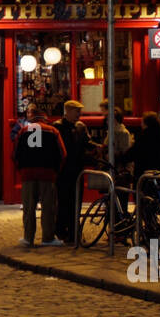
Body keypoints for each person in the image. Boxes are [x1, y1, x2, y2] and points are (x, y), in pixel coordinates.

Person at [15, 106, 65, 247]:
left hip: (28, 174)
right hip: (47, 174)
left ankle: (28, 237)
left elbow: (15, 154)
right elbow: (62, 154)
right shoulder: (53, 131)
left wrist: (22, 170)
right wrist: (56, 171)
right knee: (48, 208)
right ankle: (47, 238)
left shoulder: (24, 131)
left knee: (29, 208)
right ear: (44, 118)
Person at [54, 100, 91, 244]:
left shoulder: (81, 127)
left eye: (80, 111)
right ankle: (62, 230)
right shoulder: (58, 126)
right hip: (64, 170)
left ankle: (74, 232)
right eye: (77, 111)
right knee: (64, 201)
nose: (79, 114)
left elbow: (87, 143)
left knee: (76, 202)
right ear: (67, 111)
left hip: (77, 169)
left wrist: (98, 148)